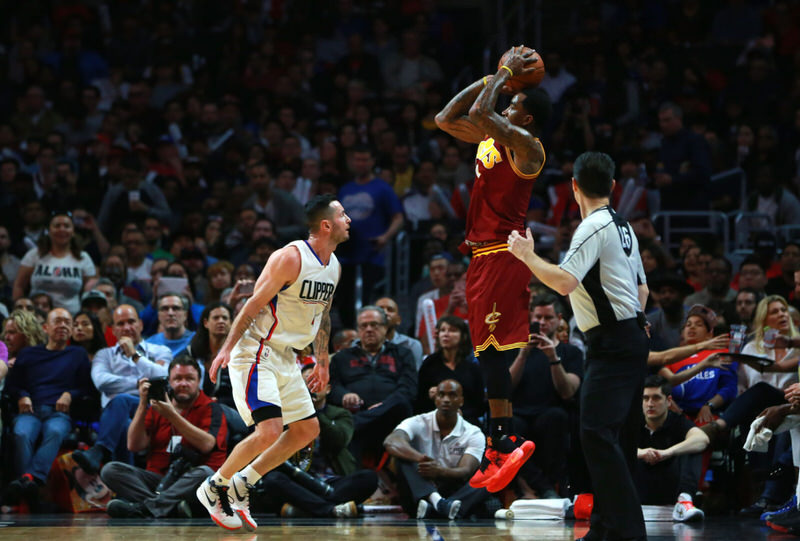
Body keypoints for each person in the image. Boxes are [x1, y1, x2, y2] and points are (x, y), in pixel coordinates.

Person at [508, 151, 649, 541]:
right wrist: (636, 320)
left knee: (596, 434)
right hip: (630, 335)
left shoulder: (591, 226)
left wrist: (526, 255)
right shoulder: (625, 227)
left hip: (613, 341)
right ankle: (606, 528)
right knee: (618, 437)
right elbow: (642, 288)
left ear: (574, 188)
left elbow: (565, 282)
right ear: (613, 187)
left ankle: (626, 531)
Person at [434, 45, 551, 492]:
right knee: (486, 351)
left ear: (526, 118)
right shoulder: (492, 138)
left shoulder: (528, 149)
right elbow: (446, 117)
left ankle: (502, 440)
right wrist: (493, 79)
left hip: (504, 251)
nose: (506, 104)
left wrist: (502, 75)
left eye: (515, 104)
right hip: (481, 255)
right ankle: (500, 442)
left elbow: (484, 111)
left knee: (494, 352)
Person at [196, 194, 349, 532]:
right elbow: (251, 306)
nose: (348, 220)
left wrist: (322, 362)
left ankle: (242, 483)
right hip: (256, 350)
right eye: (343, 215)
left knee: (308, 429)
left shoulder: (334, 266)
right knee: (269, 430)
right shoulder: (290, 257)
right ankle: (215, 486)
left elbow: (322, 318)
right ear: (326, 224)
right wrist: (226, 348)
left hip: (285, 355)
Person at [101, 356, 228, 518]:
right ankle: (167, 507)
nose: (183, 384)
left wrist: (172, 415)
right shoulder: (156, 408)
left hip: (193, 483)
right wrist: (142, 403)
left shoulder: (211, 407)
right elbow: (134, 445)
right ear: (169, 382)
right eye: (177, 379)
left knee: (205, 473)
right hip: (159, 479)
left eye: (190, 379)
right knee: (110, 470)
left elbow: (207, 445)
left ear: (198, 382)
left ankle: (146, 508)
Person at [259, 361, 378, 518]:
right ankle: (330, 510)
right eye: (306, 382)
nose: (310, 387)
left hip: (331, 482)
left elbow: (339, 441)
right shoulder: (285, 414)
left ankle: (304, 508)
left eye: (316, 381)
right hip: (297, 482)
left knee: (368, 478)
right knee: (272, 480)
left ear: (328, 389)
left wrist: (313, 414)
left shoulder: (340, 414)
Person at [6, 308, 91, 506]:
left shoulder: (77, 354)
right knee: (22, 433)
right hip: (30, 411)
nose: (63, 325)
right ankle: (32, 485)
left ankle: (28, 480)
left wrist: (70, 394)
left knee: (54, 431)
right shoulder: (29, 354)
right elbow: (13, 385)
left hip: (59, 413)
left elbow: (87, 389)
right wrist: (22, 395)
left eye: (67, 322)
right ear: (45, 327)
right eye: (58, 321)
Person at [72, 305, 171, 473]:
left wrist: (135, 356)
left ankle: (100, 451)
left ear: (140, 324)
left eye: (131, 322)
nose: (126, 327)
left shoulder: (160, 351)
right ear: (113, 330)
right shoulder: (104, 355)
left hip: (151, 409)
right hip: (115, 414)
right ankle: (127, 485)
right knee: (123, 422)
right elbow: (101, 381)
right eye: (120, 323)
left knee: (120, 399)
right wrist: (141, 382)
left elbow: (163, 377)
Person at [509, 293, 583, 499]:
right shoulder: (516, 349)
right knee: (510, 426)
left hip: (552, 412)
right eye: (538, 318)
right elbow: (504, 388)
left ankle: (546, 487)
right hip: (519, 413)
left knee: (555, 419)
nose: (542, 323)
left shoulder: (571, 353)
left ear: (559, 319)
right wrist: (522, 355)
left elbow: (568, 392)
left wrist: (553, 358)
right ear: (530, 318)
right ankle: (544, 489)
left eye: (548, 318)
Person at [384, 379, 488, 520]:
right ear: (435, 399)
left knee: (488, 478)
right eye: (441, 395)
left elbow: (465, 471)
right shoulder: (418, 421)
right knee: (403, 457)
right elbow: (391, 441)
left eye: (452, 395)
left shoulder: (473, 433)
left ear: (461, 401)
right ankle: (438, 502)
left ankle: (438, 508)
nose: (446, 400)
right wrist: (421, 459)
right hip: (418, 494)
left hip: (452, 490)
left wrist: (440, 471)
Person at [329, 306, 417, 462]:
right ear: (358, 329)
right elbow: (333, 387)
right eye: (364, 326)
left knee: (402, 404)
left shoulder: (402, 354)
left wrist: (384, 406)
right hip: (355, 411)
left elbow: (408, 389)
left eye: (374, 325)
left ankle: (354, 424)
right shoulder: (341, 358)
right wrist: (344, 395)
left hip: (391, 416)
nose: (369, 329)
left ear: (385, 328)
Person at [635, 375, 709, 521]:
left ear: (668, 401)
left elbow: (702, 439)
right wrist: (641, 453)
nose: (650, 404)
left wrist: (667, 453)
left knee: (692, 447)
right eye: (645, 398)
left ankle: (684, 501)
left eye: (656, 398)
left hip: (670, 484)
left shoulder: (677, 421)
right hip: (638, 485)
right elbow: (614, 445)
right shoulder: (632, 422)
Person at [13, 213, 96, 315]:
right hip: (36, 316)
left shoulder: (83, 257)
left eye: (66, 226)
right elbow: (19, 286)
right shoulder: (34, 254)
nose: (62, 229)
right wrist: (18, 313)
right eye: (57, 226)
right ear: (49, 230)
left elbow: (91, 293)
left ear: (73, 231)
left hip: (71, 317)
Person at [416, 316, 484, 426]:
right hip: (434, 421)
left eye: (452, 330)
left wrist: (462, 414)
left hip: (467, 421)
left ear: (463, 336)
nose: (446, 334)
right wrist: (430, 395)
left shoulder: (472, 367)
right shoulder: (429, 364)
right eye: (443, 330)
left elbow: (480, 405)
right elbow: (418, 402)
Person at [188, 302, 235, 408]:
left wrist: (218, 401)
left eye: (225, 318)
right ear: (206, 323)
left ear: (231, 323)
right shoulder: (192, 352)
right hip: (194, 406)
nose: (221, 321)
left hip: (228, 409)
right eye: (216, 318)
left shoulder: (238, 354)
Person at [376, 296, 423, 369]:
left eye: (390, 309)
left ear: (398, 320)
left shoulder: (412, 345)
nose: (385, 312)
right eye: (380, 309)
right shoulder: (359, 345)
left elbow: (413, 378)